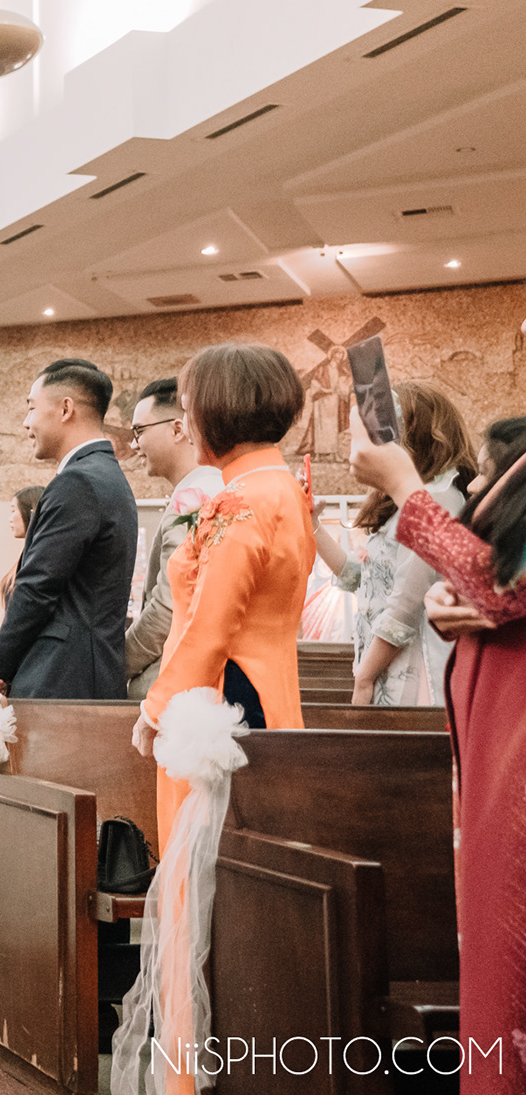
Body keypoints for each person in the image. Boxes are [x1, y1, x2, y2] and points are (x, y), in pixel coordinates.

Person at [351, 415, 526, 1095]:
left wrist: (405, 486)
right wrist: (454, 597)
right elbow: (498, 581)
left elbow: (499, 584)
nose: (476, 486)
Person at [132, 344, 314, 845]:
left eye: (188, 408)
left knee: (212, 850)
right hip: (269, 683)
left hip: (225, 695)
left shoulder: (243, 501)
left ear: (219, 409)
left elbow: (210, 626)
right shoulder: (281, 487)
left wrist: (154, 708)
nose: (186, 424)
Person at [0, 359, 139, 699]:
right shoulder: (106, 475)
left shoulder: (78, 481)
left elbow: (38, 586)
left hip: (63, 677)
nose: (26, 423)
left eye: (31, 408)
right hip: (87, 672)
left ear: (66, 409)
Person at [311, 381, 475, 704]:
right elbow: (361, 577)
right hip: (387, 661)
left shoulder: (440, 498)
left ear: (415, 434)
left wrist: (365, 677)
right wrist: (312, 524)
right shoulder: (412, 500)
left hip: (415, 668)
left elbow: (407, 605)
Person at [123, 378, 224, 702]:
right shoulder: (219, 487)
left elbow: (170, 606)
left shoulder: (193, 499)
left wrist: (118, 662)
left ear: (178, 429)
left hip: (177, 692)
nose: (134, 445)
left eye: (139, 431)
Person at [0, 485, 47, 608]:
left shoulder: (41, 557)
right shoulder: (27, 554)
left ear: (31, 512)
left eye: (13, 510)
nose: (10, 519)